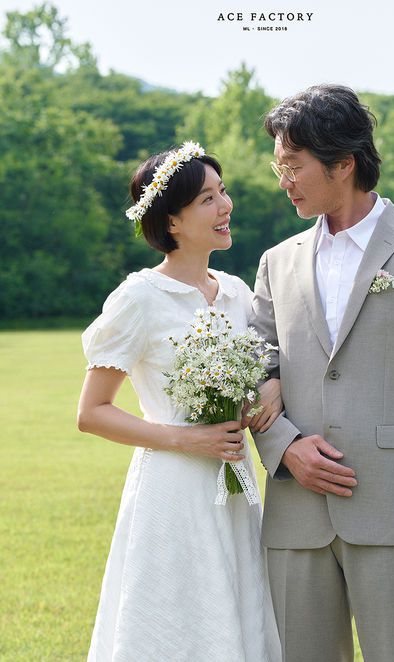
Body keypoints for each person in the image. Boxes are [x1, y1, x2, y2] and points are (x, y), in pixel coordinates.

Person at [250, 85, 394, 662]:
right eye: (279, 167)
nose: (284, 180)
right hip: (297, 515)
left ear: (344, 162)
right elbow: (252, 371)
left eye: (293, 165)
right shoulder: (277, 261)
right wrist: (285, 447)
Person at [77, 142, 282, 661]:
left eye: (223, 192)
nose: (225, 205)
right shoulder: (139, 298)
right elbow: (92, 413)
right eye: (207, 199)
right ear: (172, 221)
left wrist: (265, 394)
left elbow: (258, 379)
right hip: (171, 487)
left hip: (234, 483)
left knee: (239, 607)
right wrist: (187, 439)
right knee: (175, 618)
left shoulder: (236, 292)